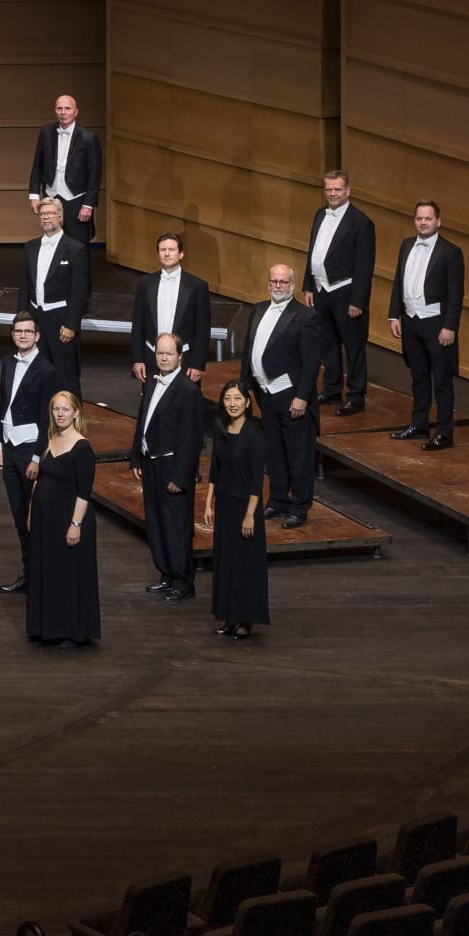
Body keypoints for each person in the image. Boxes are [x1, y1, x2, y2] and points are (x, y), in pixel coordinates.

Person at [246, 266, 329, 527]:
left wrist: (303, 396)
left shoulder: (305, 317)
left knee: (298, 455)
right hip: (266, 395)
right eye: (274, 281)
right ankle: (278, 500)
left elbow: (312, 361)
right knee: (274, 452)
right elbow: (250, 349)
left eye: (283, 282)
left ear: (292, 285)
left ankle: (299, 506)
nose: (278, 285)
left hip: (292, 397)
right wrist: (245, 387)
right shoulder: (258, 309)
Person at [24, 391, 100, 649]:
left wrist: (75, 525)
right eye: (56, 409)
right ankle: (47, 627)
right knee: (49, 571)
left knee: (68, 574)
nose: (60, 414)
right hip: (47, 521)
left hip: (70, 520)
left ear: (76, 413)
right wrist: (32, 512)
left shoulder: (82, 448)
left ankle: (71, 630)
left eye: (65, 409)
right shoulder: (50, 439)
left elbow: (84, 492)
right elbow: (40, 480)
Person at [389, 200, 467, 449]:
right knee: (418, 376)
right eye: (419, 218)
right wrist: (394, 315)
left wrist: (450, 326)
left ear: (438, 222)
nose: (423, 222)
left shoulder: (450, 252)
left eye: (428, 218)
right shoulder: (406, 245)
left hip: (436, 324)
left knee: (442, 380)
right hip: (411, 322)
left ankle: (444, 432)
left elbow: (456, 294)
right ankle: (419, 424)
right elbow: (398, 282)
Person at [135, 332, 203, 601]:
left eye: (169, 354)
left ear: (180, 357)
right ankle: (165, 573)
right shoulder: (152, 382)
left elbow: (192, 438)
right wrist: (136, 456)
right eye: (160, 353)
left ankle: (182, 580)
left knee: (176, 525)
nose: (163, 358)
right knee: (155, 521)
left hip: (172, 466)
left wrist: (181, 476)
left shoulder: (188, 391)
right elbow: (143, 421)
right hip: (151, 462)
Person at [306, 169, 377, 413]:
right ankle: (332, 389)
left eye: (337, 189)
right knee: (327, 342)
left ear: (348, 191)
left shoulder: (361, 222)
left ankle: (356, 396)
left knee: (354, 346)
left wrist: (358, 301)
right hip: (321, 290)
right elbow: (313, 252)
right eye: (329, 189)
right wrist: (308, 285)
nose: (333, 194)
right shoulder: (319, 214)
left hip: (346, 293)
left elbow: (364, 266)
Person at [0, 313, 54, 591]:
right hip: (8, 448)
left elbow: (48, 419)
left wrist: (37, 457)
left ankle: (40, 575)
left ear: (37, 335)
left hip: (30, 449)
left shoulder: (47, 370)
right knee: (19, 516)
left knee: (33, 517)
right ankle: (29, 573)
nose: (22, 335)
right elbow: (2, 405)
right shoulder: (8, 363)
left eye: (28, 331)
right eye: (18, 331)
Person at [208, 378, 270, 641]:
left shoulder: (254, 435)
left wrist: (249, 515)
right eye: (228, 398)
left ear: (247, 402)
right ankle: (230, 616)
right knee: (226, 563)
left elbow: (257, 479)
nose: (232, 404)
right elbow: (214, 468)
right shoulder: (221, 429)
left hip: (245, 508)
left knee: (245, 565)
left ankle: (246, 619)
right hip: (224, 505)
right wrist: (208, 503)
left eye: (237, 399)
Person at [21, 196, 90, 391]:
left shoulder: (75, 249)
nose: (46, 217)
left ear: (60, 217)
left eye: (50, 213)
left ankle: (72, 421)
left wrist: (71, 325)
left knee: (65, 376)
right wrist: (22, 320)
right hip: (36, 320)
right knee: (37, 375)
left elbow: (79, 291)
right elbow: (25, 285)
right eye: (43, 214)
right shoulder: (30, 247)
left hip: (61, 323)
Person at [129, 232, 214, 387]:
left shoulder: (197, 286)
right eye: (163, 250)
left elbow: (202, 328)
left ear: (181, 254)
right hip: (151, 359)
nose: (167, 253)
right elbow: (138, 324)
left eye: (171, 249)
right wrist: (137, 359)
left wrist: (198, 364)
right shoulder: (145, 283)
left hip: (185, 361)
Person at [29, 93, 103, 248]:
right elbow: (37, 166)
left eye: (67, 108)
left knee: (78, 246)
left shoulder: (88, 137)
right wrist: (34, 195)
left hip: (76, 200)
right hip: (51, 197)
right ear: (55, 111)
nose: (63, 112)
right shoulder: (46, 132)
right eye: (59, 108)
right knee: (52, 242)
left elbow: (94, 174)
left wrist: (88, 204)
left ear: (76, 112)